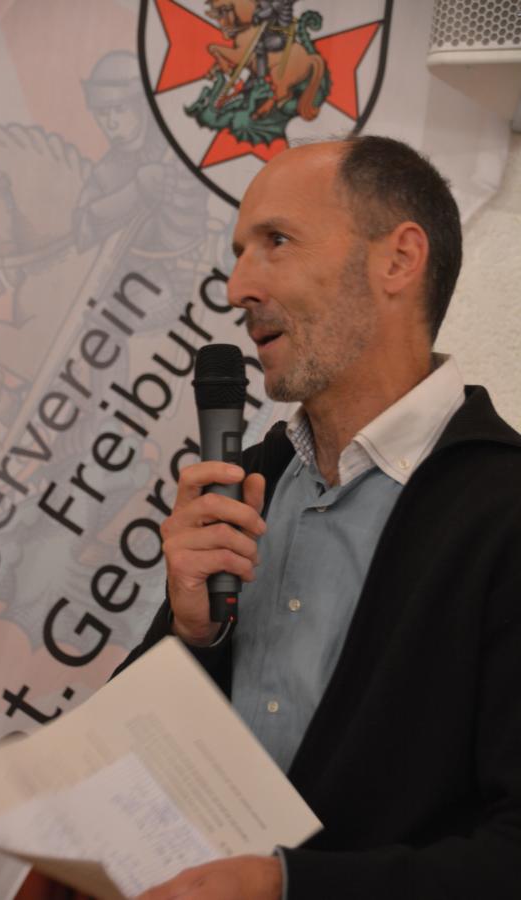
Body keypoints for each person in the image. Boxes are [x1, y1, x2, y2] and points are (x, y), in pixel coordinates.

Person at [113, 136, 521, 899]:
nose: (238, 287)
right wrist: (191, 636)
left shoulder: (502, 511)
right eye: (239, 254)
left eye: (276, 242)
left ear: (398, 260)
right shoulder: (249, 483)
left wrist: (287, 886)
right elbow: (131, 766)